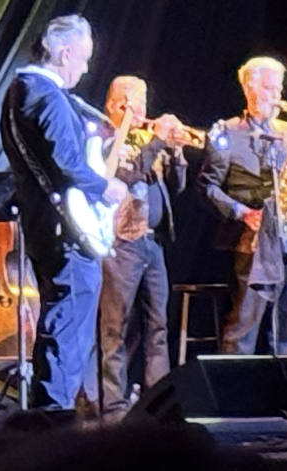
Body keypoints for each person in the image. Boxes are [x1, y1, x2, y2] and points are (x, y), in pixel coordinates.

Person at [0, 14, 122, 409]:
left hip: (46, 224)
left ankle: (51, 415)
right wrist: (105, 187)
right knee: (67, 329)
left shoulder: (21, 90)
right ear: (65, 53)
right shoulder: (46, 95)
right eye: (83, 59)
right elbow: (66, 162)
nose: (85, 70)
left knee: (62, 323)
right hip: (64, 230)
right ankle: (53, 417)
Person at [86, 75, 187, 418]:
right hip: (121, 245)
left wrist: (176, 152)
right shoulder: (105, 140)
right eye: (134, 101)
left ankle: (158, 403)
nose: (142, 109)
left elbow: (177, 186)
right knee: (115, 328)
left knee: (158, 326)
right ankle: (113, 406)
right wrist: (157, 142)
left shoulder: (147, 141)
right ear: (114, 104)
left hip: (153, 245)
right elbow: (127, 176)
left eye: (144, 101)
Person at [200, 55, 287, 355]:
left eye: (279, 89)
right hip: (251, 241)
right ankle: (233, 383)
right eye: (268, 88)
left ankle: (282, 381)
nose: (276, 96)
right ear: (249, 89)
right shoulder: (227, 132)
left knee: (286, 330)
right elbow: (208, 187)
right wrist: (242, 212)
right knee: (244, 326)